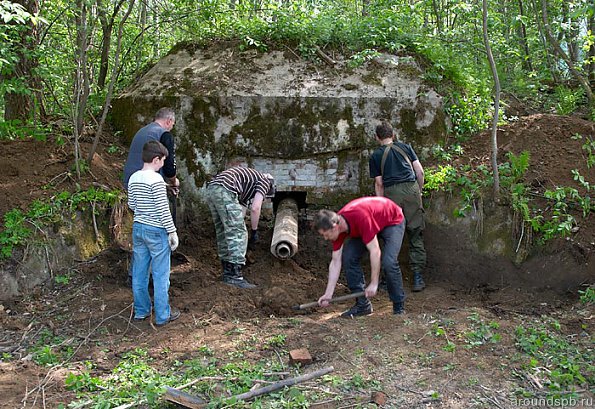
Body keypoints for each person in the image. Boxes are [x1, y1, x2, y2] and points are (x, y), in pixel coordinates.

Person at [314, 196, 407, 317]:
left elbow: (375, 251)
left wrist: (374, 283)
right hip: (371, 223)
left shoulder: (360, 217)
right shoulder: (337, 228)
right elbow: (336, 261)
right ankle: (363, 305)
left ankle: (399, 306)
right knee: (349, 257)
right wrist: (328, 294)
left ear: (335, 226)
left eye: (326, 235)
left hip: (392, 221)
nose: (326, 238)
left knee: (389, 262)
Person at [122, 107, 179, 286]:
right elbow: (169, 165)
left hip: (132, 182)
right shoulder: (164, 135)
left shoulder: (142, 131)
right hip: (151, 184)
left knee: (141, 226)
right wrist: (173, 182)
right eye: (173, 125)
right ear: (169, 121)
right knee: (157, 227)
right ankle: (156, 276)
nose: (171, 128)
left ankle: (135, 274)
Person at [369, 121, 427, 292]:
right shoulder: (406, 147)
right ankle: (417, 278)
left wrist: (381, 206)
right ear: (393, 135)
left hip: (392, 193)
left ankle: (388, 280)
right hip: (412, 189)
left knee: (391, 236)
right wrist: (419, 192)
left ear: (377, 137)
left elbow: (379, 184)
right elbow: (420, 172)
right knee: (415, 233)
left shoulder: (375, 156)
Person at [127, 140, 180, 327]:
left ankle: (141, 311)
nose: (164, 164)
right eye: (163, 160)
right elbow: (163, 209)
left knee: (139, 272)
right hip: (156, 230)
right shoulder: (156, 180)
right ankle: (162, 315)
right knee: (160, 274)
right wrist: (172, 231)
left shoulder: (134, 177)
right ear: (156, 159)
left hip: (138, 228)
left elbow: (131, 205)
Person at [205, 167, 276, 289]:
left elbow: (240, 214)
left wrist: (238, 227)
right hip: (225, 191)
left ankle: (227, 272)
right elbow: (255, 208)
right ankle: (235, 276)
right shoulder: (265, 181)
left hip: (212, 189)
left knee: (224, 230)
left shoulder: (246, 186)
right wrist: (254, 231)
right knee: (239, 232)